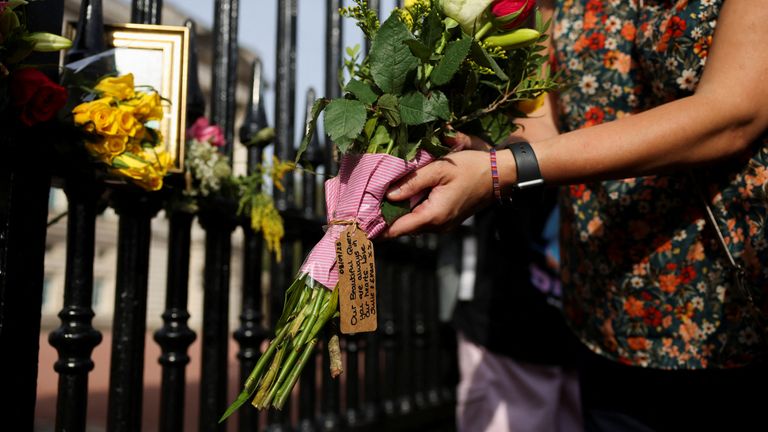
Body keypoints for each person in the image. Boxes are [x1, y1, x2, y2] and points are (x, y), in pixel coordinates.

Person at [383, 0, 768, 430]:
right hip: (607, 320)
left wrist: (503, 170)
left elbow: (735, 114)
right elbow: (540, 123)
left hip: (735, 314)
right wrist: (482, 153)